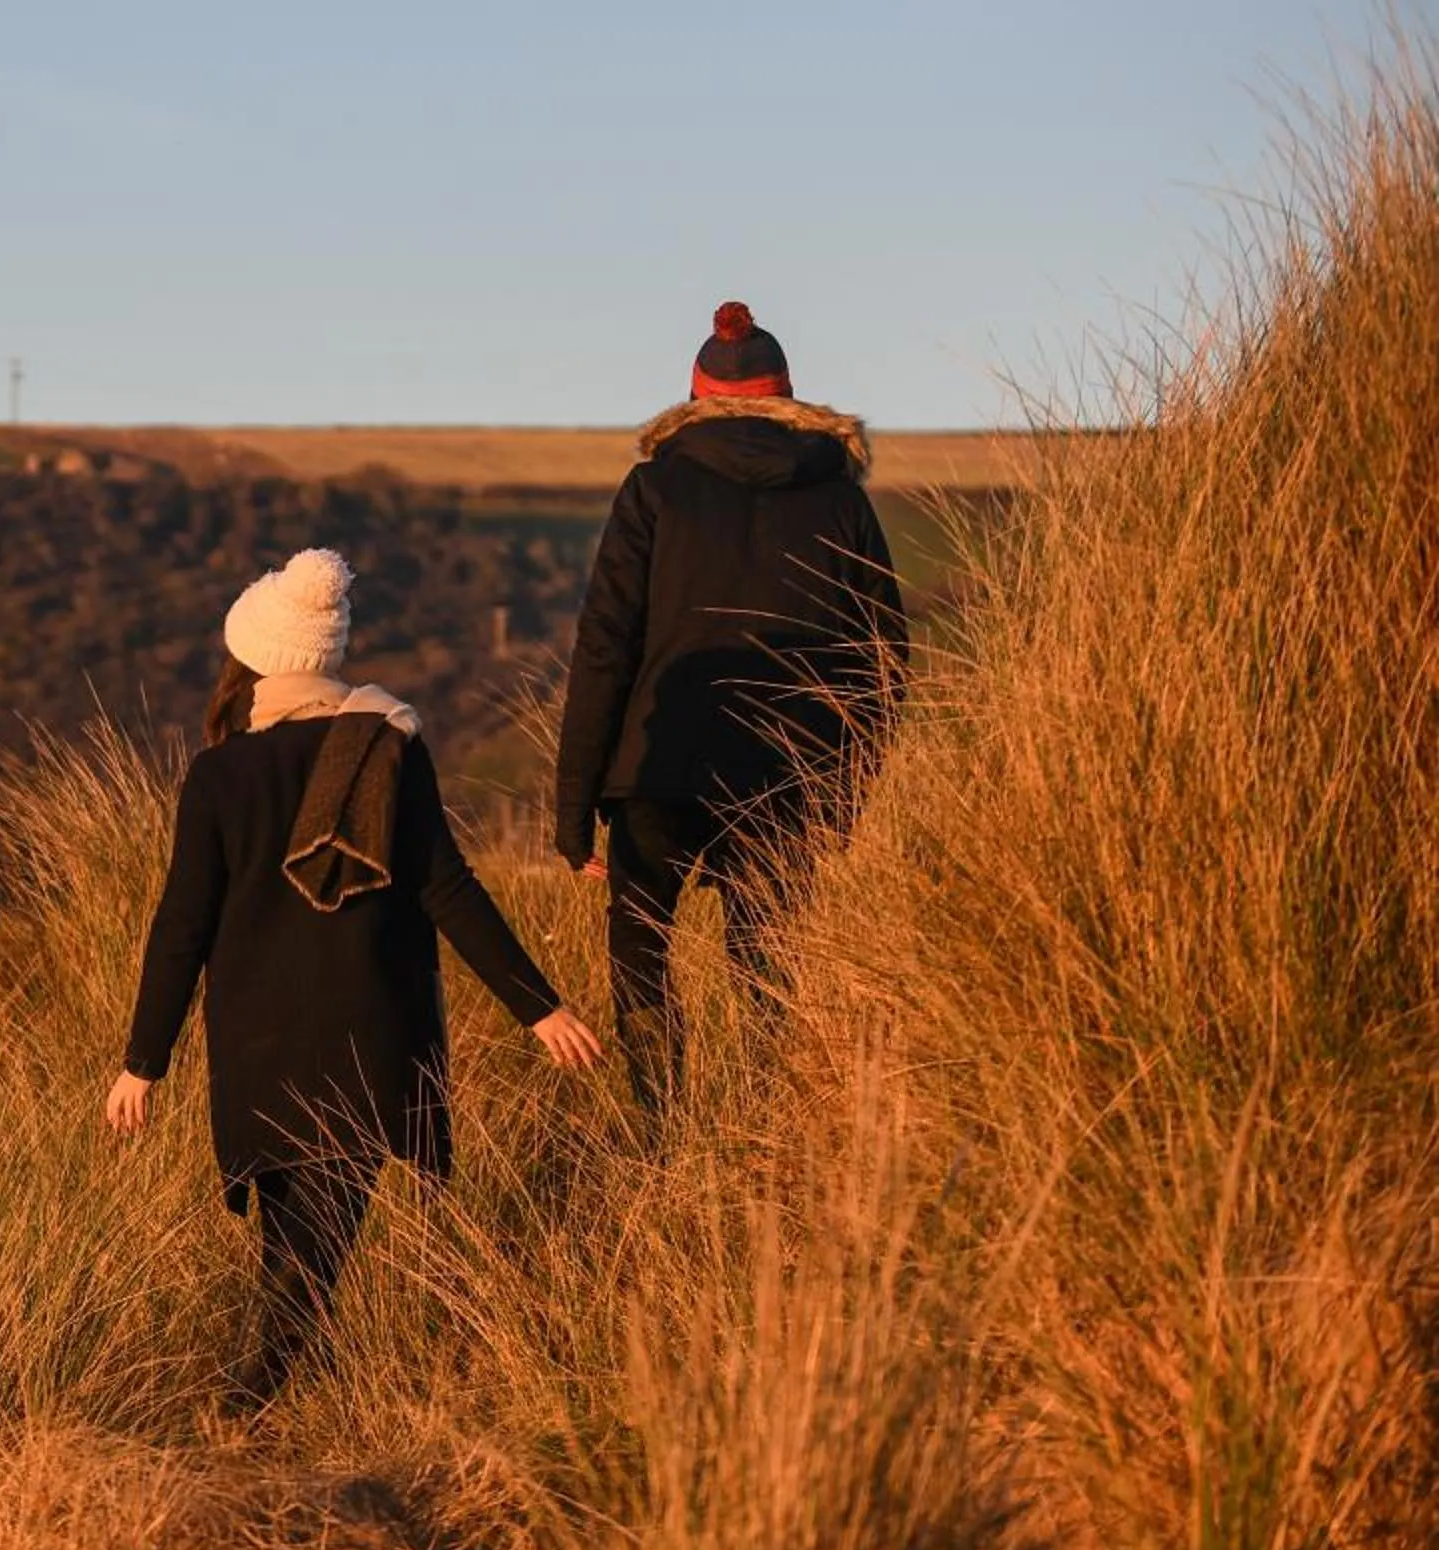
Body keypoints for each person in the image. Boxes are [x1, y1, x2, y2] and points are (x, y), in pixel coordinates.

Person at [106, 547, 603, 1406]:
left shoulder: (222, 773)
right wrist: (538, 1006)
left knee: (300, 1241)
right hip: (367, 1034)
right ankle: (265, 1402)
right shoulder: (387, 747)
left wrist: (143, 1061)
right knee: (313, 1243)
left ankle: (263, 1402)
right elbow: (446, 887)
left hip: (257, 1044)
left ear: (253, 658)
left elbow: (181, 927)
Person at [553, 301, 912, 1126]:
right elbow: (884, 661)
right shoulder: (839, 500)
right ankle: (766, 1133)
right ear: (788, 396)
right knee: (770, 965)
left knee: (641, 952)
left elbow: (605, 645)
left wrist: (574, 812)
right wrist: (842, 791)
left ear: (697, 396)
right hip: (787, 781)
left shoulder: (654, 488)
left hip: (657, 769)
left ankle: (663, 1129)